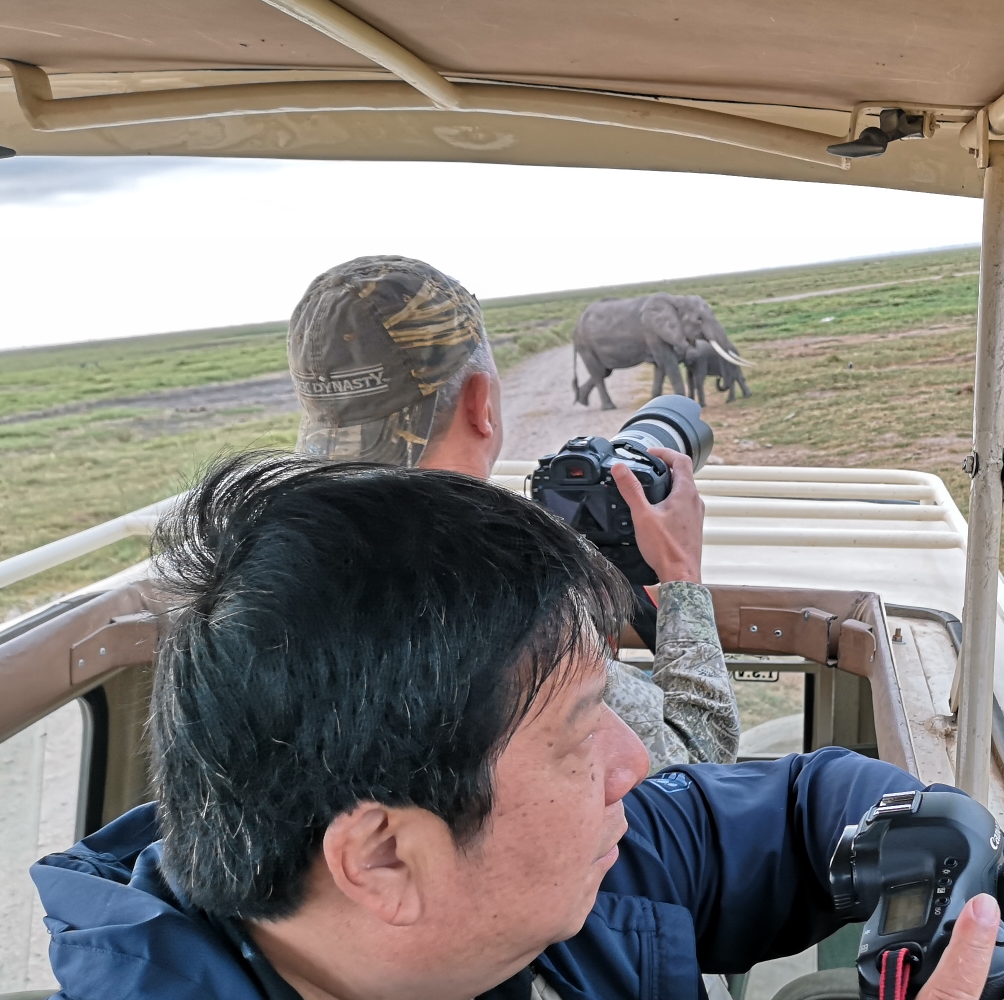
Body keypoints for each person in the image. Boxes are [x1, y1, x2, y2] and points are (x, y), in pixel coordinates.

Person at [0, 456, 1004, 1000]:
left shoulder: (547, 886)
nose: (634, 769)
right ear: (381, 859)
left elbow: (812, 804)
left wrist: (948, 855)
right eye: (576, 737)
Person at [287, 255, 737, 769]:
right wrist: (682, 579)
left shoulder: (250, 564)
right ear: (482, 404)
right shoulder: (505, 613)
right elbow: (694, 766)